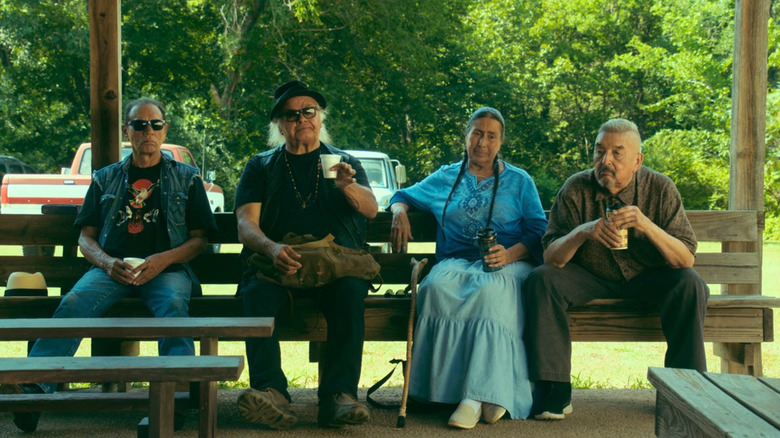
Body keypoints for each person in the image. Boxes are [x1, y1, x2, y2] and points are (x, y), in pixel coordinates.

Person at [0, 97, 218, 433]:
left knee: (174, 305)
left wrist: (163, 259)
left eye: (155, 124)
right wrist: (106, 262)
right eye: (139, 124)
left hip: (167, 270)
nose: (148, 130)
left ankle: (173, 400)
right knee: (74, 302)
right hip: (111, 270)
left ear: (164, 130)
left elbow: (200, 238)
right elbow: (85, 238)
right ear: (126, 130)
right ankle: (33, 392)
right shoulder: (105, 178)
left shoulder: (187, 178)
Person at [524, 118, 709, 421]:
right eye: (599, 152)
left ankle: (684, 391)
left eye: (617, 154)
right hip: (589, 278)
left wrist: (645, 224)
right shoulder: (575, 188)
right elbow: (551, 257)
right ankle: (553, 390)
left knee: (690, 283)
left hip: (648, 279)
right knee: (542, 279)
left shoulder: (660, 188)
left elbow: (685, 258)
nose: (605, 161)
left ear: (637, 160)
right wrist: (582, 232)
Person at [389, 107, 547, 429]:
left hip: (506, 263)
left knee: (490, 293)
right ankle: (446, 393)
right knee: (434, 289)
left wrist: (510, 254)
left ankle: (477, 397)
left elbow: (539, 231)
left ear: (501, 141)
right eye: (476, 133)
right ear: (466, 137)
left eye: (491, 135)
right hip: (455, 262)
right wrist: (398, 211)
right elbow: (403, 194)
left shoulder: (519, 181)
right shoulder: (446, 177)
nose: (482, 142)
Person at [234, 80, 378, 430]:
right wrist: (272, 247)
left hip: (337, 266)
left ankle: (339, 397)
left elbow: (371, 210)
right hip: (278, 264)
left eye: (309, 111)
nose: (302, 119)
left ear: (320, 116)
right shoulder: (262, 166)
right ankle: (272, 393)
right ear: (280, 124)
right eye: (292, 114)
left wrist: (348, 186)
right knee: (256, 296)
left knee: (349, 294)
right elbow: (245, 224)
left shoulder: (341, 162)